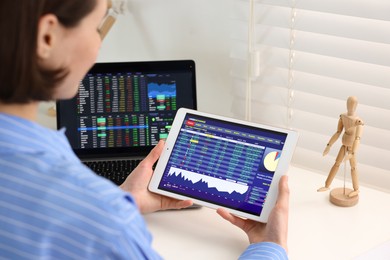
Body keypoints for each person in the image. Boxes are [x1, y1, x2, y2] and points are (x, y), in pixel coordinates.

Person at [0, 0, 290, 259]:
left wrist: (125, 198)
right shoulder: (103, 222)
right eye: (96, 27)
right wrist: (269, 245)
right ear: (47, 37)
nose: (98, 43)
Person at [317, 96, 364, 198]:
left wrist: (352, 153)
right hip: (344, 146)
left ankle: (356, 189)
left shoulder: (358, 121)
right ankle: (327, 185)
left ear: (356, 106)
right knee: (336, 164)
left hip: (352, 148)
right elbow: (338, 132)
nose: (350, 106)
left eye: (352, 104)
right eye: (348, 103)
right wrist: (329, 145)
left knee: (353, 167)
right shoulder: (343, 117)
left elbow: (358, 138)